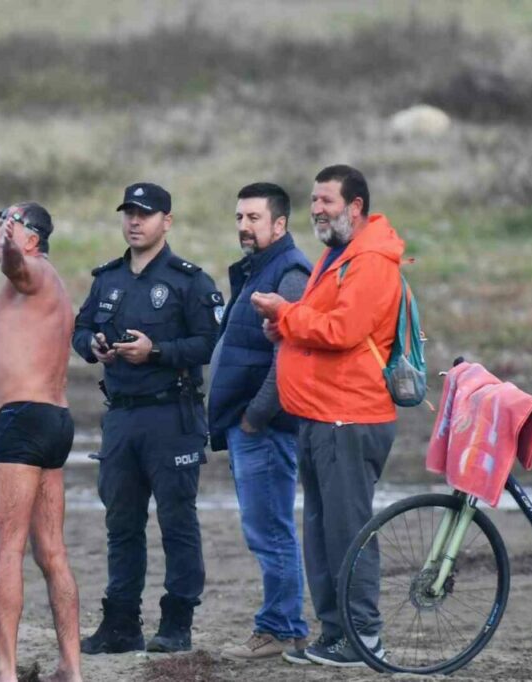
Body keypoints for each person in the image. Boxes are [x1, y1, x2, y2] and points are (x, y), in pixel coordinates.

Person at [251, 165, 404, 667]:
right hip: (321, 415)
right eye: (314, 200)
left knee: (347, 531)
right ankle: (336, 633)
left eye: (327, 201)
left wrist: (285, 313)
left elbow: (343, 330)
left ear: (355, 206)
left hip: (351, 417)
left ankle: (364, 637)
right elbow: (322, 323)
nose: (316, 209)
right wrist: (286, 327)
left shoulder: (371, 260)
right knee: (321, 532)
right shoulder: (338, 254)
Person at [72, 182, 223, 654]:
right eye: (129, 213)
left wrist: (155, 351)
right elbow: (80, 327)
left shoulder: (189, 281)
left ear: (167, 221)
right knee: (121, 523)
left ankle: (177, 623)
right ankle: (121, 624)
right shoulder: (108, 278)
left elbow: (208, 343)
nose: (135, 222)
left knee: (177, 521)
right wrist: (93, 346)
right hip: (121, 417)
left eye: (146, 214)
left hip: (171, 415)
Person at [207, 183, 312, 661]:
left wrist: (254, 417)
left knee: (271, 532)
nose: (244, 227)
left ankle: (280, 629)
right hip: (246, 423)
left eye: (253, 218)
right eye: (239, 218)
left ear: (280, 224)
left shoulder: (288, 274)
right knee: (266, 529)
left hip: (264, 428)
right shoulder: (258, 270)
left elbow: (288, 357)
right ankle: (285, 626)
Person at [0, 202, 82, 682]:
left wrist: (11, 250)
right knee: (52, 552)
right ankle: (70, 668)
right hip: (53, 421)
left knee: (7, 548)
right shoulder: (48, 283)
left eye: (6, 226)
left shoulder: (34, 271)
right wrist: (9, 243)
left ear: (32, 239)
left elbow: (16, 265)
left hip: (23, 420)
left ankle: (4, 671)